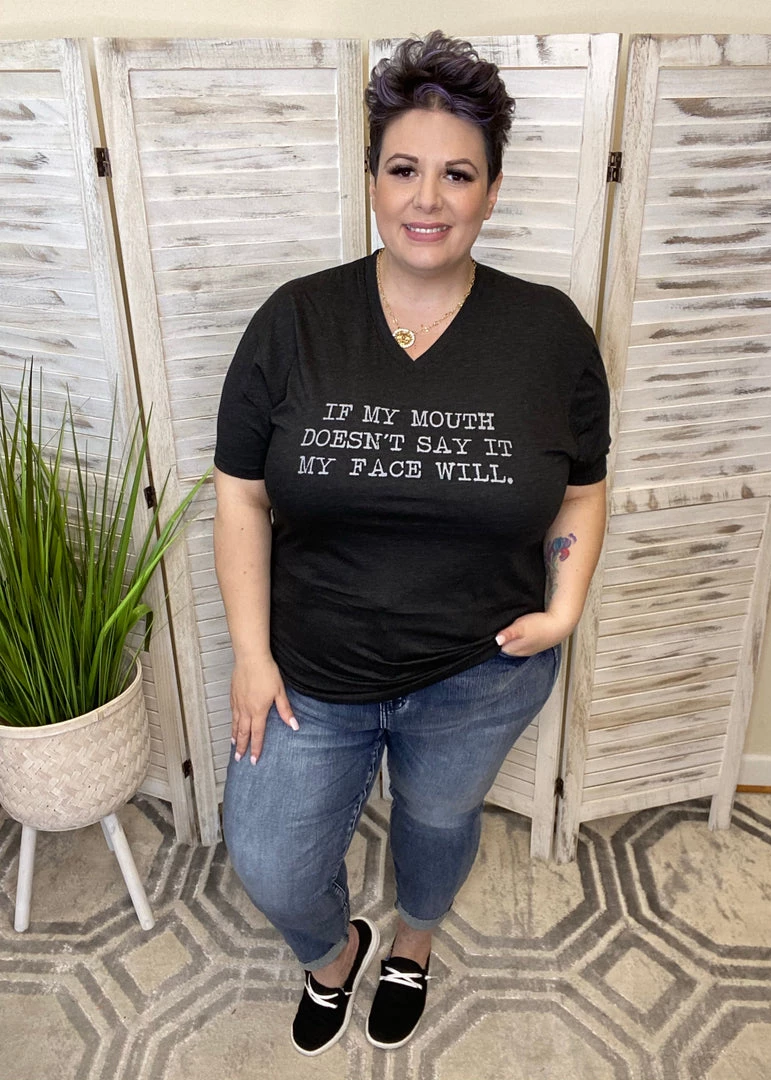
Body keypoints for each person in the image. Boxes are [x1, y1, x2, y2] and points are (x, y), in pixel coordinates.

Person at [213, 30, 610, 1057]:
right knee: (269, 859)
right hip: (312, 671)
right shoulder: (296, 321)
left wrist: (563, 610)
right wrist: (252, 654)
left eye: (457, 174)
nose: (427, 198)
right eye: (403, 169)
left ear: (492, 191)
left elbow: (583, 490)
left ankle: (413, 946)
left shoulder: (549, 335)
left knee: (438, 825)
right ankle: (334, 952)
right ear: (372, 179)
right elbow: (242, 494)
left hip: (479, 673)